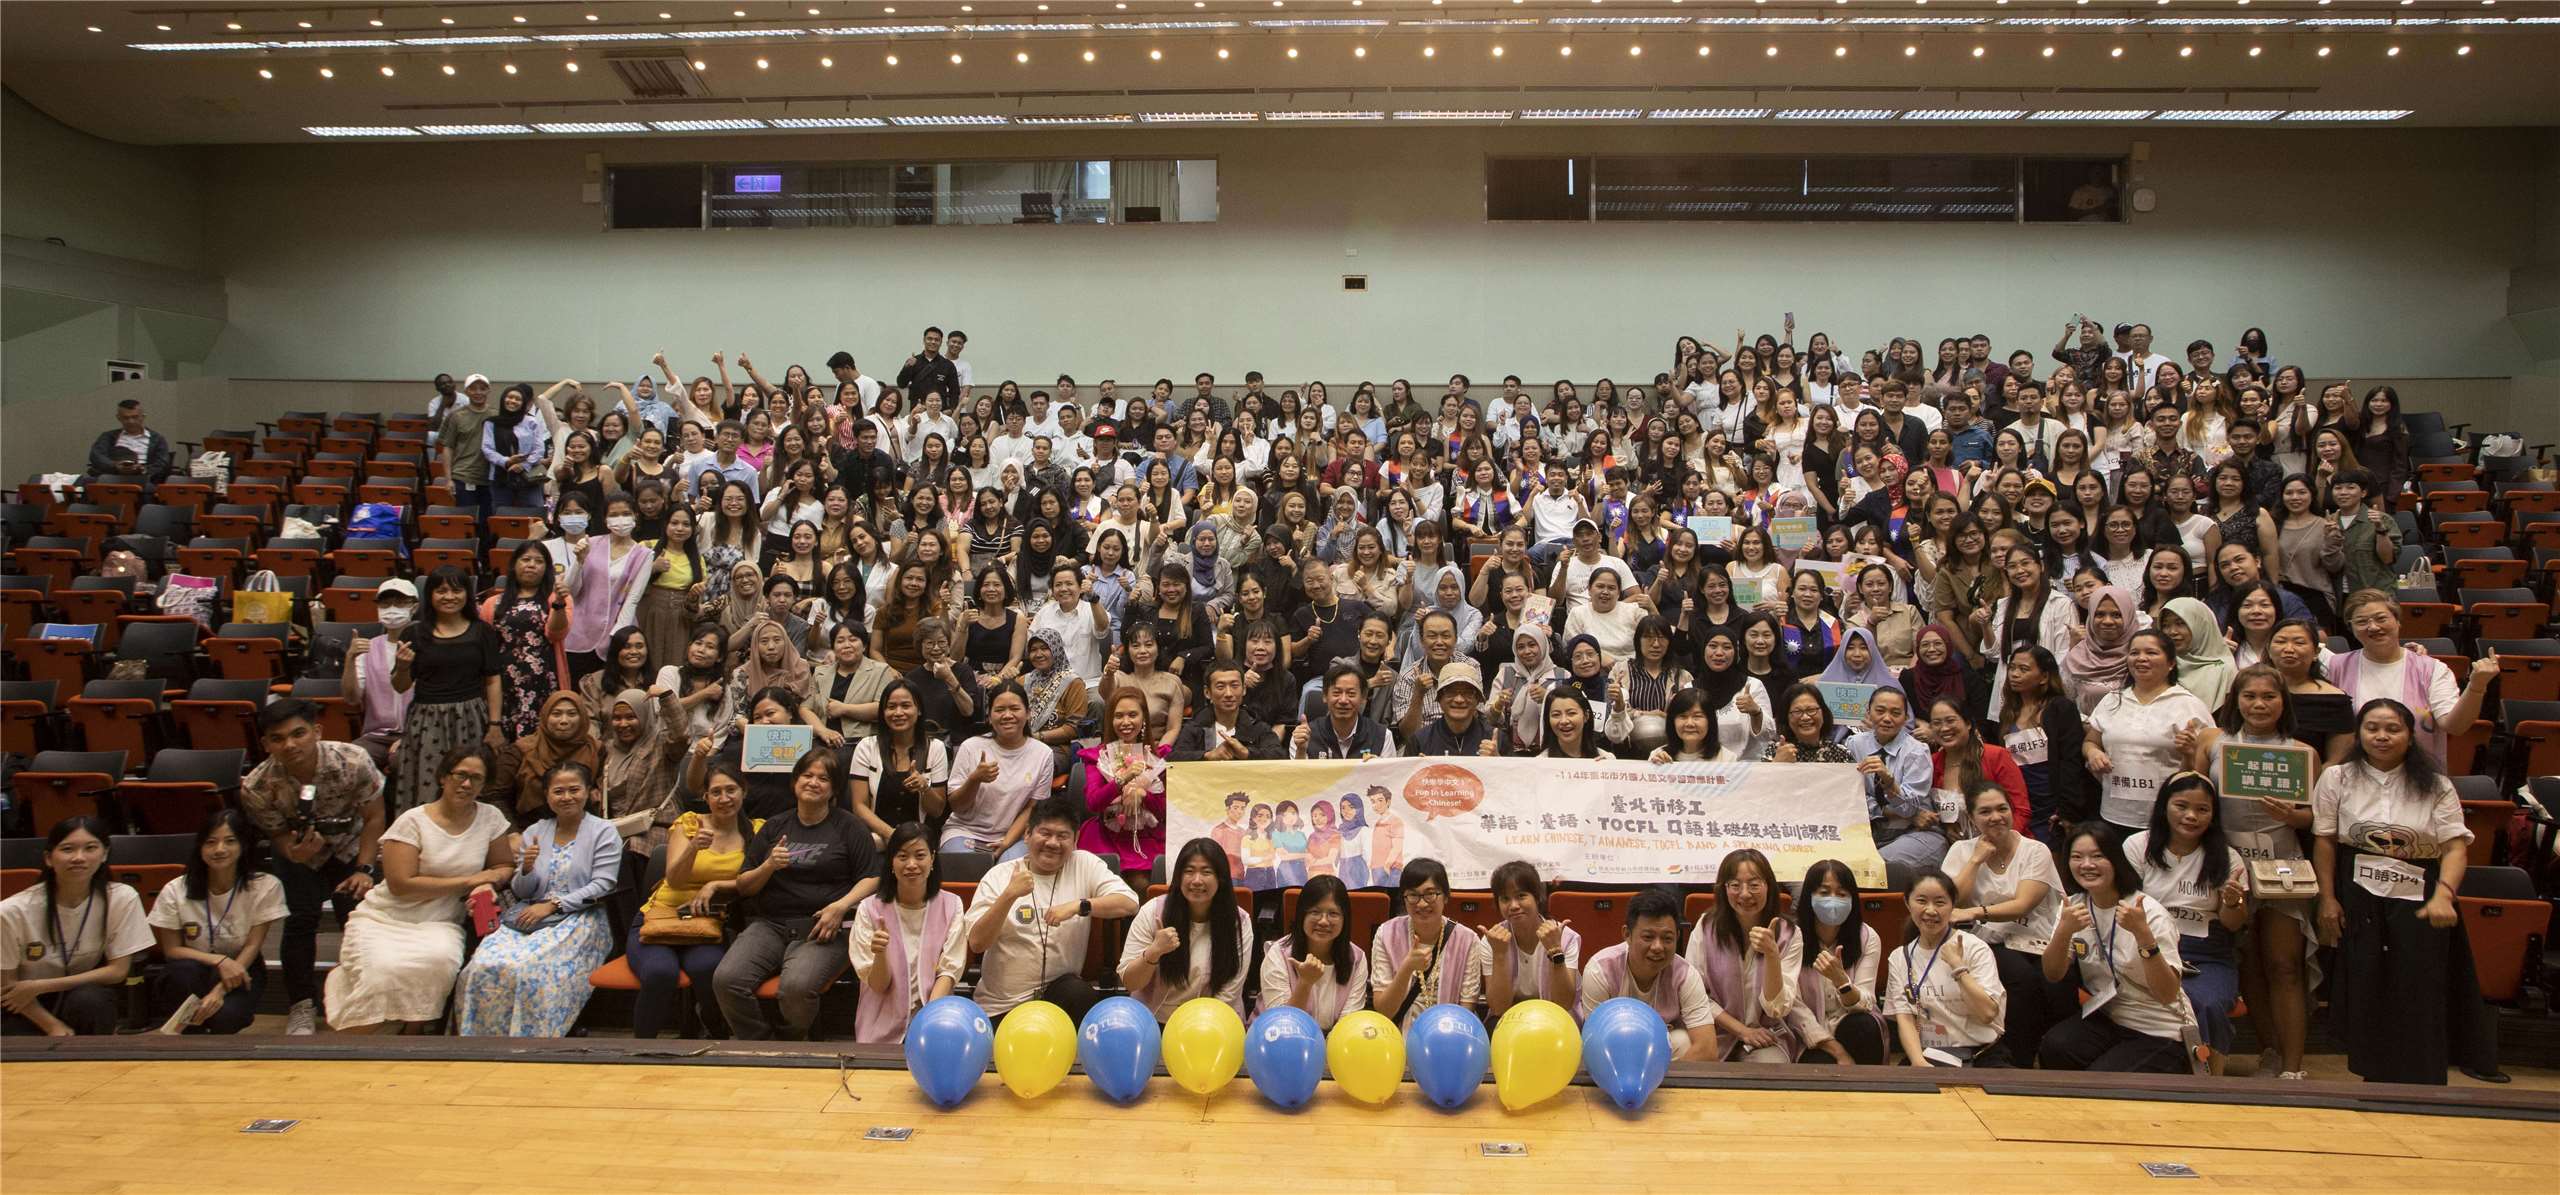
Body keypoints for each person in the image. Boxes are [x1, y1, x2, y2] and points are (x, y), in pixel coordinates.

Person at [2313, 698, 2497, 1085]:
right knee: (2367, 978)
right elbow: (2325, 841)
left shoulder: (2436, 783)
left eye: (2392, 729)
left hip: (2421, 888)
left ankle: (2424, 1078)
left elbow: (2455, 847)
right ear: (2359, 733)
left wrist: (2444, 894)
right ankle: (2373, 1076)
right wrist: (2327, 899)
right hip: (2358, 888)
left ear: (2410, 736)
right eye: (2372, 728)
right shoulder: (2337, 777)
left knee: (2417, 981)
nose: (2381, 736)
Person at [2184, 665, 2320, 1079]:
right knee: (2246, 962)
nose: (2259, 704)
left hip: (2283, 860)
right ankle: (2268, 1051)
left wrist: (2293, 816)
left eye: (2269, 697)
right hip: (2228, 860)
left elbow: (2313, 819)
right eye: (2250, 696)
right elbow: (2191, 796)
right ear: (2235, 700)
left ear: (2284, 703)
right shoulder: (2212, 742)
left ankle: (2294, 1067)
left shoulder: (2303, 752)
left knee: (2283, 964)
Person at [325, 747, 518, 1033]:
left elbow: (503, 865)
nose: (467, 784)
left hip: (439, 921)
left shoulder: (490, 818)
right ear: (443, 778)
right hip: (387, 918)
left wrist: (488, 883)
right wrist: (470, 881)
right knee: (380, 971)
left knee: (440, 962)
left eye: (476, 779)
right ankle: (354, 1046)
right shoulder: (412, 820)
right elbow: (401, 884)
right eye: (461, 775)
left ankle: (412, 1038)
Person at [237, 697, 386, 1035]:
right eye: (278, 738)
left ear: (316, 732)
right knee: (299, 922)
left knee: (362, 921)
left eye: (298, 734)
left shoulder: (353, 760)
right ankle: (301, 1005)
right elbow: (276, 835)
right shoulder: (257, 786)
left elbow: (375, 817)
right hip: (299, 855)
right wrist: (294, 854)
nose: (289, 745)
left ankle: (362, 1001)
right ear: (265, 744)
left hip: (351, 848)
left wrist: (365, 869)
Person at [713, 749, 877, 1040]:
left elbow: (873, 877)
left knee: (797, 989)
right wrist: (768, 866)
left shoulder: (850, 826)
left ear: (834, 788)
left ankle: (792, 1040)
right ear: (795, 782)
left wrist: (841, 906)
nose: (814, 782)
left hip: (824, 929)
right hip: (770, 924)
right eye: (807, 775)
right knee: (727, 980)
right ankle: (761, 1044)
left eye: (823, 778)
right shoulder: (774, 826)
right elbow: (744, 885)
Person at [454, 761, 622, 1036]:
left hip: (581, 918)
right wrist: (527, 869)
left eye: (574, 790)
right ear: (547, 796)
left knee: (530, 971)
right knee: (482, 966)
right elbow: (522, 891)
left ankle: (533, 1044)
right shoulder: (535, 831)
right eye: (558, 791)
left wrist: (554, 904)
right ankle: (479, 1044)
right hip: (528, 913)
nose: (566, 797)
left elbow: (603, 884)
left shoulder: (603, 831)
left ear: (589, 792)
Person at [966, 795, 1142, 1024]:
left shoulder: (1084, 864)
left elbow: (1130, 902)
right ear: (1027, 834)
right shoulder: (999, 876)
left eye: (1062, 836)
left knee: (1079, 993)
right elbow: (977, 943)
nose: (1053, 843)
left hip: (1058, 1001)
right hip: (1001, 1008)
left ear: (1076, 839)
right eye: (1045, 833)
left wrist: (1080, 906)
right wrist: (1009, 896)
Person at [2038, 823, 2193, 1073]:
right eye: (2077, 857)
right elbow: (2053, 974)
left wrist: (2143, 935)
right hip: (2109, 1016)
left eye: (2098, 856)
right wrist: (2064, 931)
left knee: (2101, 1078)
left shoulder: (2148, 912)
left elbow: (2167, 993)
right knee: (2055, 1046)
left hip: (2158, 1027)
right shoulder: (2073, 906)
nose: (2086, 865)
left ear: (2116, 860)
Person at [2123, 772, 2248, 1072]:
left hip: (2206, 953)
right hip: (2147, 947)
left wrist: (2232, 902)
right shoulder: (2137, 846)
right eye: (2181, 806)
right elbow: (2124, 908)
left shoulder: (2227, 858)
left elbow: (2233, 925)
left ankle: (2207, 1078)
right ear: (2164, 805)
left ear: (2213, 815)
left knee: (2204, 1002)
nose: (2191, 816)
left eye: (2202, 810)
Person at [1942, 782, 2071, 1066]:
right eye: (1985, 812)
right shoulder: (1961, 851)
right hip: (1985, 942)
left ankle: (2051, 1057)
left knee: (2056, 986)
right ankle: (2016, 1060)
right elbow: (1951, 902)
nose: (1995, 817)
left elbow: (2023, 904)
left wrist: (1975, 911)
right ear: (1973, 818)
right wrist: (1975, 861)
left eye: (2002, 809)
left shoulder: (2035, 850)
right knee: (2019, 977)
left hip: (2038, 940)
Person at [628, 763, 759, 1040]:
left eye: (731, 790)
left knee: (708, 969)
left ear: (743, 792)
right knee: (659, 972)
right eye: (716, 792)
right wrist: (692, 848)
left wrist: (716, 885)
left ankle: (715, 1036)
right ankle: (638, 1049)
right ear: (706, 797)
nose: (724, 799)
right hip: (662, 916)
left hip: (709, 922)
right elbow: (674, 880)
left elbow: (758, 881)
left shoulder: (757, 831)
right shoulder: (689, 823)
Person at [1, 817, 151, 1036]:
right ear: (49, 858)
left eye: (90, 848)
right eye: (67, 849)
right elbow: (8, 989)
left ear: (105, 854)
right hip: (23, 1004)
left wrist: (41, 985)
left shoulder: (121, 898)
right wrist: (52, 1026)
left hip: (75, 992)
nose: (79, 858)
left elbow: (118, 971)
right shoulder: (11, 911)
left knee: (92, 1000)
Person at [146, 810, 287, 1034]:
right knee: (183, 972)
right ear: (200, 847)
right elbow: (172, 950)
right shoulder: (175, 889)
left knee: (226, 1019)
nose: (219, 849)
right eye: (211, 842)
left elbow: (252, 946)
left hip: (241, 966)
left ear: (243, 846)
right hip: (191, 971)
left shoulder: (266, 886)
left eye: (230, 841)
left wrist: (219, 991)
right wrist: (220, 960)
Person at [2331, 589, 2500, 767]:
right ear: (2351, 628)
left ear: (2397, 621)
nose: (2373, 627)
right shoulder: (2335, 666)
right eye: (2361, 622)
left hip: (2419, 777)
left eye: (2381, 618)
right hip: (2352, 775)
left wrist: (2476, 686)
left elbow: (2455, 726)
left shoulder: (2431, 669)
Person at [388, 567, 504, 815]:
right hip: (427, 720)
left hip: (471, 717)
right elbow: (401, 686)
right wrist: (402, 667)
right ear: (429, 595)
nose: (449, 596)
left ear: (467, 595)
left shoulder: (482, 631)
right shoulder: (414, 633)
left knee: (470, 782)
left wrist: (495, 725)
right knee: (427, 785)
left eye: (456, 590)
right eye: (441, 591)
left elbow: (493, 680)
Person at [2086, 629, 2217, 837]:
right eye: (2134, 653)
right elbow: (2090, 741)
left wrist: (2189, 753)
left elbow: (2205, 772)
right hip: (2114, 813)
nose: (2141, 659)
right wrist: (2093, 753)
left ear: (2171, 663)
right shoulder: (2113, 699)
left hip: (2167, 818)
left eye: (2151, 653)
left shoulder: (2188, 704)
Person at [850, 823, 967, 1044]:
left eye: (920, 855)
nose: (911, 864)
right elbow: (878, 985)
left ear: (932, 859)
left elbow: (949, 971)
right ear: (891, 863)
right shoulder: (869, 909)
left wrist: (927, 1022)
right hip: (881, 1025)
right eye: (902, 856)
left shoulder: (952, 904)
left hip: (934, 1022)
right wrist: (880, 954)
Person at [1575, 885, 1720, 1061]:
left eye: (1667, 938)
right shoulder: (1601, 970)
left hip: (1663, 1061)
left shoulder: (1686, 974)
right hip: (1615, 1053)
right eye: (1648, 937)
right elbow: (1596, 1045)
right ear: (1627, 934)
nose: (1658, 947)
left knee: (1681, 1041)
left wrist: (1659, 1080)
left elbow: (1707, 1048)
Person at [1684, 848, 1800, 1063]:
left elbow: (1777, 1009)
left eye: (1754, 885)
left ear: (1769, 887)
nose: (1745, 894)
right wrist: (1741, 1031)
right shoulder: (1706, 926)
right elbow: (1695, 995)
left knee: (1771, 1065)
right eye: (1735, 885)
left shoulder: (1789, 933)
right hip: (1713, 1031)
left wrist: (1772, 955)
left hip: (1767, 1035)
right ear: (1724, 889)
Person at [1118, 839, 1254, 1021]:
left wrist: (1197, 1028)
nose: (1196, 880)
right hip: (1152, 1020)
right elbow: (1130, 982)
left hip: (1212, 1021)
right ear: (1178, 877)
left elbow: (1229, 993)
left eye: (1206, 872)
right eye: (1189, 871)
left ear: (1220, 879)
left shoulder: (1239, 921)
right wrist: (1153, 952)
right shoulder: (1153, 912)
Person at [1884, 869, 2009, 1067]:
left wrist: (1958, 968)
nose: (1931, 910)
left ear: (1952, 906)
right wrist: (1919, 1062)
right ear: (1907, 903)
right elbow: (1906, 1019)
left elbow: (1987, 1014)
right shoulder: (1900, 957)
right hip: (1929, 1055)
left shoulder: (1974, 947)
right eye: (1922, 901)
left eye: (1940, 902)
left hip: (1981, 1055)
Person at [1788, 859, 1886, 1065]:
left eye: (1841, 894)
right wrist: (1837, 1051)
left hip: (1851, 1023)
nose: (1833, 900)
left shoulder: (1867, 936)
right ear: (1809, 897)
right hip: (1808, 1036)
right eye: (1824, 893)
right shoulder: (1791, 936)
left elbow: (1867, 1001)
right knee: (1820, 1064)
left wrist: (1842, 982)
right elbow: (1794, 1007)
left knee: (1864, 1027)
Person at [945, 683, 1055, 859]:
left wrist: (1006, 842)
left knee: (1010, 872)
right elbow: (957, 806)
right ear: (989, 716)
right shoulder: (970, 747)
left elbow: (1032, 807)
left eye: (1014, 709)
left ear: (1028, 713)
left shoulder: (1043, 754)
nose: (1007, 715)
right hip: (966, 831)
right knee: (967, 867)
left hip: (1015, 835)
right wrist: (975, 779)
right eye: (1000, 710)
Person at [1371, 858, 1484, 1030]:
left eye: (1430, 894)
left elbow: (1465, 1012)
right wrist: (1407, 968)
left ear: (1446, 896)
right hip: (1397, 1040)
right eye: (1413, 895)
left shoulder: (1467, 940)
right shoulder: (1386, 934)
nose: (1422, 903)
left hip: (1448, 1038)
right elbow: (1383, 1012)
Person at [1845, 687, 1943, 873]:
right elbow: (1853, 799)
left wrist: (1891, 785)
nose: (1887, 718)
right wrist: (1886, 811)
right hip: (1869, 831)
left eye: (1896, 713)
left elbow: (1910, 808)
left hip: (1913, 832)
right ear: (1868, 712)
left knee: (1874, 868)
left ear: (1906, 718)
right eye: (1880, 711)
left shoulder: (1917, 751)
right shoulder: (1854, 744)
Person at [1472, 860, 1582, 1019]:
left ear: (1537, 897)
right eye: (1505, 898)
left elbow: (1563, 1004)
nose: (1513, 905)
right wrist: (1500, 955)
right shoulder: (1492, 940)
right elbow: (1498, 1008)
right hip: (1511, 1021)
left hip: (1555, 1020)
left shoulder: (1566, 937)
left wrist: (1556, 951)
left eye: (1521, 896)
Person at [1078, 688, 1170, 874]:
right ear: (1110, 720)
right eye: (1119, 716)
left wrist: (1142, 794)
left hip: (1147, 837)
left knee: (1146, 880)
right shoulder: (1097, 756)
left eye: (1133, 715)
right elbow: (1093, 803)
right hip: (1106, 836)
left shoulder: (1157, 757)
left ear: (1143, 718)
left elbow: (1165, 811)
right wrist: (1122, 781)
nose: (1126, 722)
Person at [1260, 874, 1369, 1029]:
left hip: (1335, 1045)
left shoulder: (1357, 958)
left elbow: (1348, 1025)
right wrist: (1305, 983)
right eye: (1315, 912)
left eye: (1333, 914)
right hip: (1280, 1043)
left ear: (1345, 919)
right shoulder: (1279, 953)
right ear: (1302, 915)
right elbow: (1282, 1025)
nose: (1324, 921)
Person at [1170, 657, 1286, 762]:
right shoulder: (1195, 727)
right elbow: (1174, 758)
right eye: (1220, 687)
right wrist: (1208, 755)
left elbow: (1279, 755)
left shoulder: (1257, 726)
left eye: (1234, 686)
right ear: (1207, 692)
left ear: (1244, 689)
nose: (1228, 693)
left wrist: (1247, 753)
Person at [85, 397, 175, 486]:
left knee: (148, 487)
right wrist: (115, 466)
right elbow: (96, 456)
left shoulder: (157, 439)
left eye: (135, 417)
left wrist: (143, 469)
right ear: (118, 418)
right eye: (126, 418)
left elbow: (162, 463)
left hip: (144, 477)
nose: (131, 421)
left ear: (143, 417)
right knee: (88, 481)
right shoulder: (108, 436)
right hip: (113, 473)